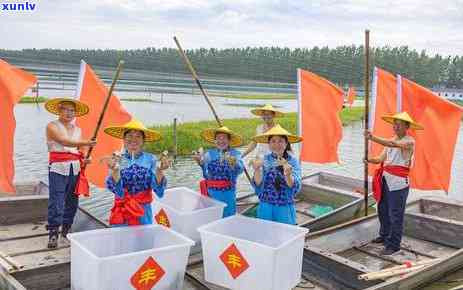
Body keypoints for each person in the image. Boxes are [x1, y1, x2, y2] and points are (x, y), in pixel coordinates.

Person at [365, 112, 423, 255]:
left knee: (395, 214)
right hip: (385, 180)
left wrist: (372, 137)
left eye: (399, 124)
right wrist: (369, 160)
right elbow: (380, 159)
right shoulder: (392, 140)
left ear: (407, 126)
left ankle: (393, 245)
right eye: (394, 124)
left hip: (399, 184)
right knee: (382, 210)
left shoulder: (409, 141)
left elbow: (393, 144)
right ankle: (384, 235)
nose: (395, 127)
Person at [45, 98, 96, 248]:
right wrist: (87, 142)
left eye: (72, 110)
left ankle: (66, 230)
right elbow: (64, 141)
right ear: (59, 111)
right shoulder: (51, 126)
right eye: (65, 109)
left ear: (75, 113)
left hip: (75, 168)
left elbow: (81, 150)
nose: (69, 113)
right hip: (58, 168)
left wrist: (87, 157)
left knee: (73, 201)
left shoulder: (78, 129)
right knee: (57, 201)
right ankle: (53, 233)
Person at [104, 119, 170, 226]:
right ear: (124, 139)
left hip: (143, 210)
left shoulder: (151, 159)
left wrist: (160, 170)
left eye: (138, 136)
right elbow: (117, 191)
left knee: (143, 240)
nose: (133, 139)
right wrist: (115, 170)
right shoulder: (117, 158)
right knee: (122, 240)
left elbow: (158, 189)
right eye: (129, 135)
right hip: (123, 210)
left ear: (143, 140)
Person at [250, 124, 302, 225]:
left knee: (284, 235)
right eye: (273, 141)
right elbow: (259, 184)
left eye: (280, 141)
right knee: (265, 234)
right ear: (268, 144)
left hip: (284, 207)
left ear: (286, 143)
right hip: (265, 206)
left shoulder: (292, 161)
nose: (276, 144)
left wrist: (287, 174)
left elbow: (295, 186)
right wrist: (256, 169)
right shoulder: (264, 159)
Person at [193, 126, 244, 217]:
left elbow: (240, 169)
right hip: (211, 193)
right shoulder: (209, 153)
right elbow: (206, 174)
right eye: (218, 138)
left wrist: (233, 163)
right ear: (215, 140)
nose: (221, 141)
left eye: (224, 138)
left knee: (228, 217)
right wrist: (200, 162)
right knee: (212, 217)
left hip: (227, 193)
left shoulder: (235, 153)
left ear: (229, 141)